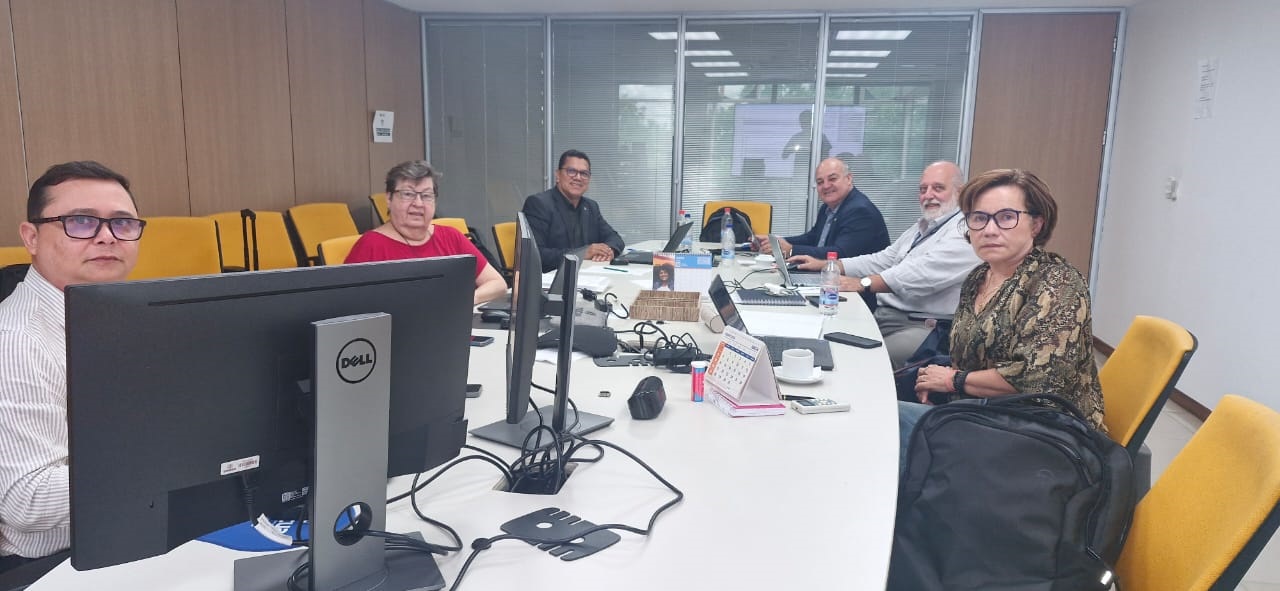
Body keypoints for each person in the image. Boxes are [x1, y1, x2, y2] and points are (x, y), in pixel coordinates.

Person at [898, 169, 1105, 466]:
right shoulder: (979, 277)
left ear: (1036, 224)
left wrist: (953, 381)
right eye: (979, 218)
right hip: (980, 411)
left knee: (884, 425)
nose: (989, 230)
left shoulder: (1057, 283)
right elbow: (969, 354)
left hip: (1041, 435)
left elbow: (1035, 380)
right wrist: (939, 382)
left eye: (1006, 217)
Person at [0, 161, 143, 571]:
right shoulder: (16, 342)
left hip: (132, 527)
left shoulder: (122, 312)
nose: (107, 238)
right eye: (80, 222)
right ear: (31, 237)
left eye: (123, 223)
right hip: (52, 563)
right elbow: (24, 500)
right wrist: (167, 458)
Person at [787, 162, 980, 368]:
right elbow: (885, 259)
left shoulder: (965, 232)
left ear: (960, 192)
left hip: (924, 326)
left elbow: (917, 273)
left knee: (855, 362)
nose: (928, 195)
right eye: (923, 189)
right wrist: (830, 265)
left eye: (938, 188)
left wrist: (863, 282)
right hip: (886, 315)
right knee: (823, 340)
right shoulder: (924, 225)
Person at [345, 160, 506, 306]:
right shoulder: (370, 245)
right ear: (389, 198)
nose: (418, 204)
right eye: (408, 194)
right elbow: (345, 306)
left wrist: (464, 301)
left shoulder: (450, 236)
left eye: (427, 195)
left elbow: (497, 283)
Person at [754, 157, 889, 260]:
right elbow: (812, 239)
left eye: (832, 179)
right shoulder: (829, 207)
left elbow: (840, 254)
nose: (825, 186)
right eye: (820, 182)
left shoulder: (860, 211)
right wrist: (774, 241)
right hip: (830, 277)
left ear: (848, 179)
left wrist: (791, 250)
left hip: (857, 289)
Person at [521, 150, 625, 271]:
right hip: (551, 279)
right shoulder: (539, 204)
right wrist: (581, 254)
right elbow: (536, 254)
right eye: (571, 171)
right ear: (558, 175)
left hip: (588, 275)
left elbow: (615, 238)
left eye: (584, 173)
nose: (578, 177)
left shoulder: (591, 207)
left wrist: (609, 250)